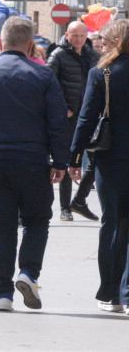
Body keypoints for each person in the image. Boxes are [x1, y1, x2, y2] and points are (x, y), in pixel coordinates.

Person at [0, 17, 69, 312]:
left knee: (1, 226)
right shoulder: (44, 76)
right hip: (33, 161)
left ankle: (3, 294)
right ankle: (28, 273)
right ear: (31, 45)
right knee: (36, 221)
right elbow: (58, 122)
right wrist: (60, 161)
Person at [69, 20, 129, 312]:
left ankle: (111, 294)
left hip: (112, 159)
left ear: (116, 41)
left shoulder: (102, 74)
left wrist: (75, 158)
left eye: (106, 39)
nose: (101, 44)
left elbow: (86, 119)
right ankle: (127, 292)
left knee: (113, 222)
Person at [47, 20, 101, 221]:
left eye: (82, 35)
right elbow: (48, 83)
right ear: (66, 35)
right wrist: (63, 109)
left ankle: (79, 200)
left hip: (90, 116)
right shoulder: (58, 55)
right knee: (68, 159)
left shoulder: (93, 56)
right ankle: (64, 208)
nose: (78, 39)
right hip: (68, 118)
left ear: (86, 36)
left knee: (95, 158)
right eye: (74, 35)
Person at [69, 33, 105, 213]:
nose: (101, 50)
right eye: (98, 46)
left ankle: (78, 200)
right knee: (92, 160)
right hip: (87, 117)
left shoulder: (101, 66)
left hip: (99, 123)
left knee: (93, 161)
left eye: (102, 46)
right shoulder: (96, 67)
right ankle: (75, 202)